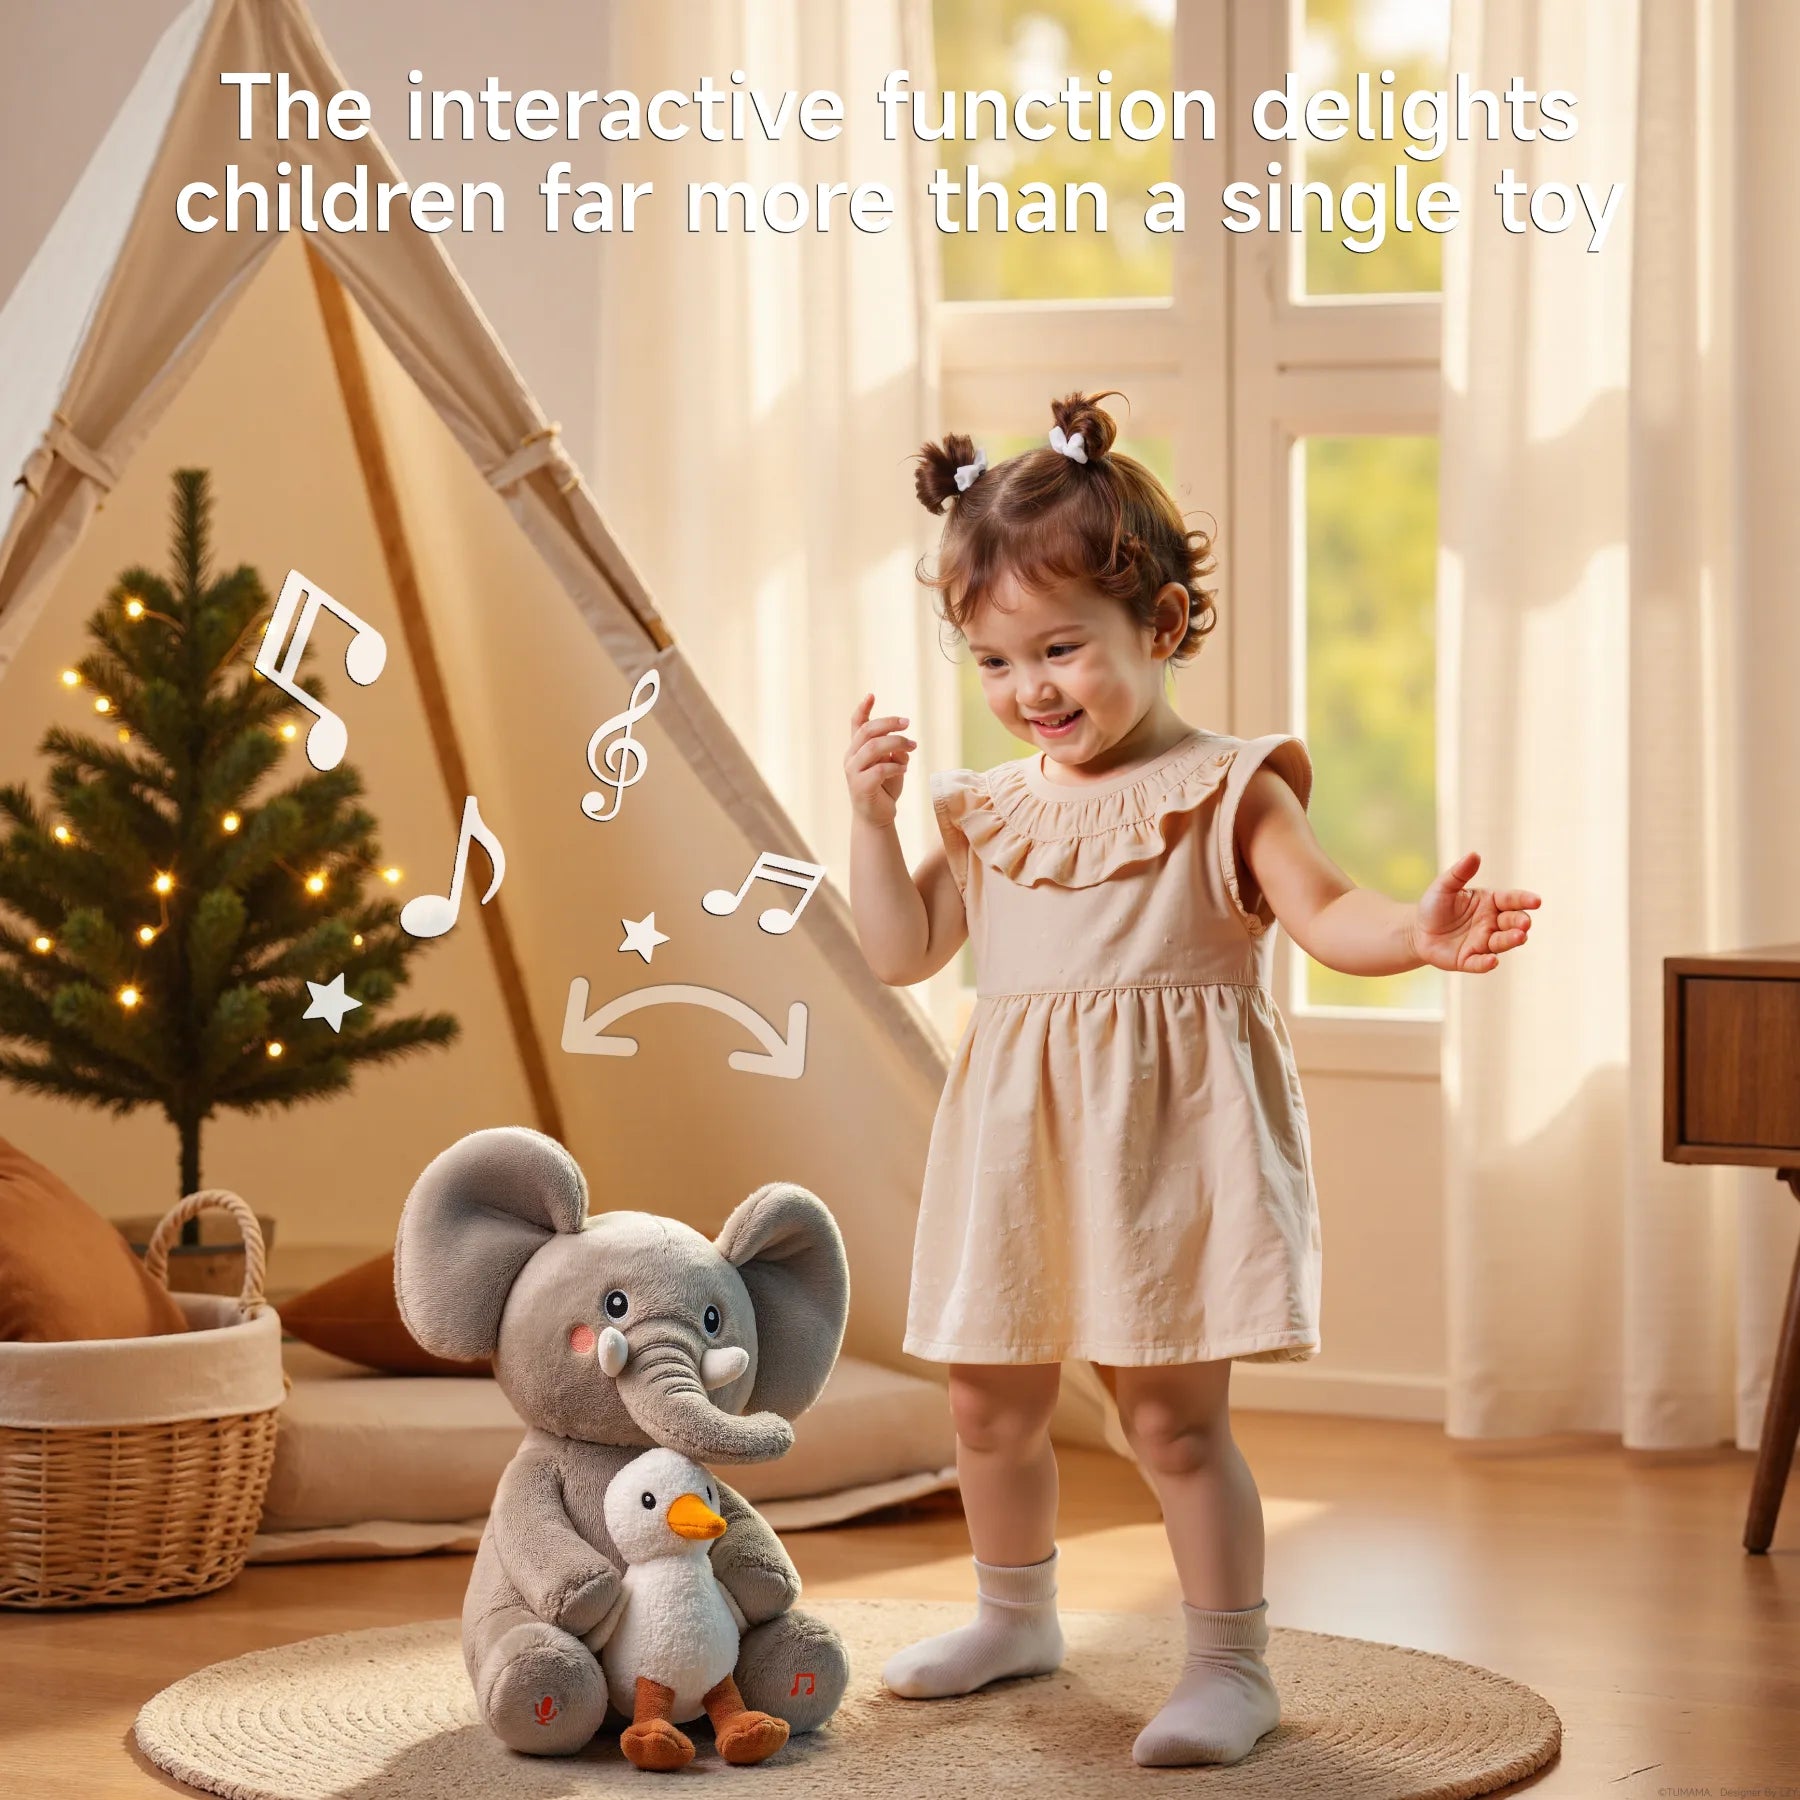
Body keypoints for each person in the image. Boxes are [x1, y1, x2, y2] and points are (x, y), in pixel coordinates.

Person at [843, 391, 1541, 1769]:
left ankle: (1230, 1661)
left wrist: (1415, 933)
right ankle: (1012, 1616)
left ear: (1157, 628)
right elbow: (898, 948)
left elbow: (1330, 912)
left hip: (1165, 1148)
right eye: (994, 662)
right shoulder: (986, 809)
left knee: (1169, 1418)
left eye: (1062, 649)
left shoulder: (1229, 789)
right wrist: (867, 820)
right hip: (1016, 1144)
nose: (1031, 690)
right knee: (986, 1403)